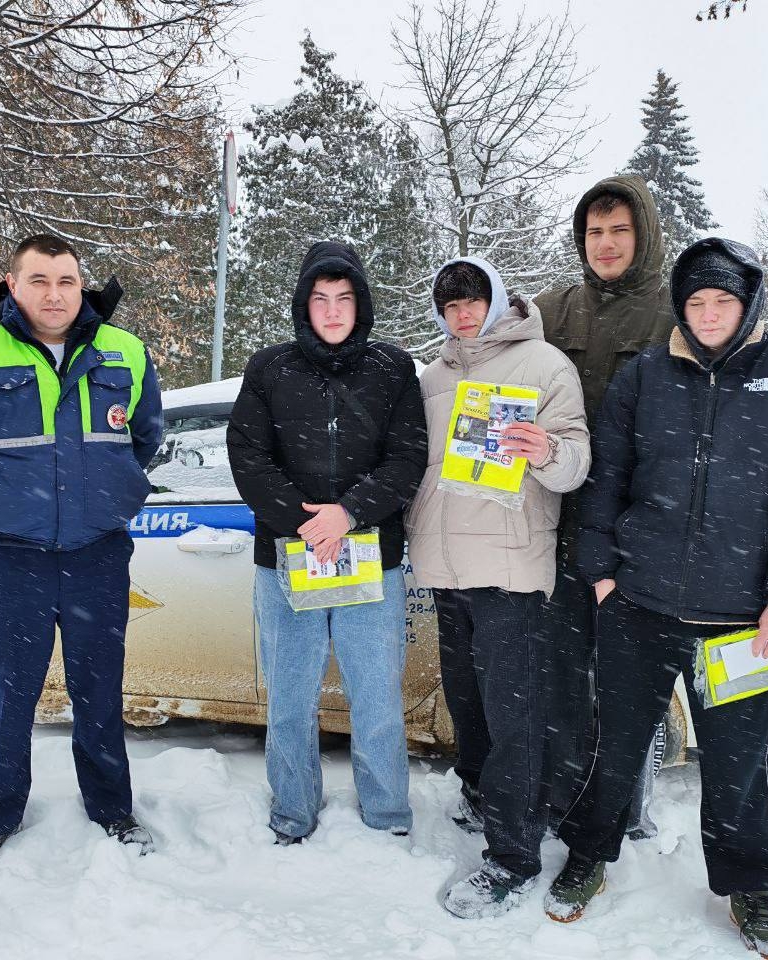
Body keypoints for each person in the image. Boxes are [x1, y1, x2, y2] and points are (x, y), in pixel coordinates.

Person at [545, 239, 768, 960]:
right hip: (639, 607)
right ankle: (588, 857)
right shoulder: (648, 374)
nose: (709, 314)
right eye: (697, 301)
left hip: (742, 622)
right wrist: (603, 574)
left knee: (740, 764)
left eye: (724, 301)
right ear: (681, 307)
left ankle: (751, 888)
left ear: (748, 306)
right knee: (613, 749)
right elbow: (608, 478)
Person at [0, 234, 163, 875]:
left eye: (67, 281)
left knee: (100, 690)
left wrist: (109, 493)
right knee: (6, 693)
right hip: (8, 556)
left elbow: (146, 436)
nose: (56, 294)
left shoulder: (125, 352)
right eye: (41, 280)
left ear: (83, 287)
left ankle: (112, 808)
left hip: (97, 553)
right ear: (13, 284)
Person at [405, 257, 589, 919]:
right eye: (449, 304)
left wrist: (545, 450)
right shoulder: (434, 376)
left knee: (514, 719)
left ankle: (512, 857)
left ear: (497, 299)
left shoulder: (543, 365)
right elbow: (418, 466)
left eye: (473, 300)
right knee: (469, 703)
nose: (462, 313)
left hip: (510, 571)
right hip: (447, 569)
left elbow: (575, 460)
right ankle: (483, 797)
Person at [226, 241, 427, 846]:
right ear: (303, 305)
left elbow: (408, 457)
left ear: (360, 304)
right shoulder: (269, 369)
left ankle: (388, 813)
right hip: (288, 559)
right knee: (290, 696)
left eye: (344, 299)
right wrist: (304, 521)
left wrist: (351, 512)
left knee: (375, 697)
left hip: (372, 559)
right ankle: (292, 809)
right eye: (320, 299)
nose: (332, 311)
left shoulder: (393, 370)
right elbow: (248, 456)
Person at [533, 175, 677, 834]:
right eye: (595, 231)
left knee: (628, 695)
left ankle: (623, 815)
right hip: (559, 535)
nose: (607, 243)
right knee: (562, 686)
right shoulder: (552, 311)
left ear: (642, 234)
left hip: (636, 545)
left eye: (620, 230)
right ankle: (566, 809)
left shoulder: (676, 317)